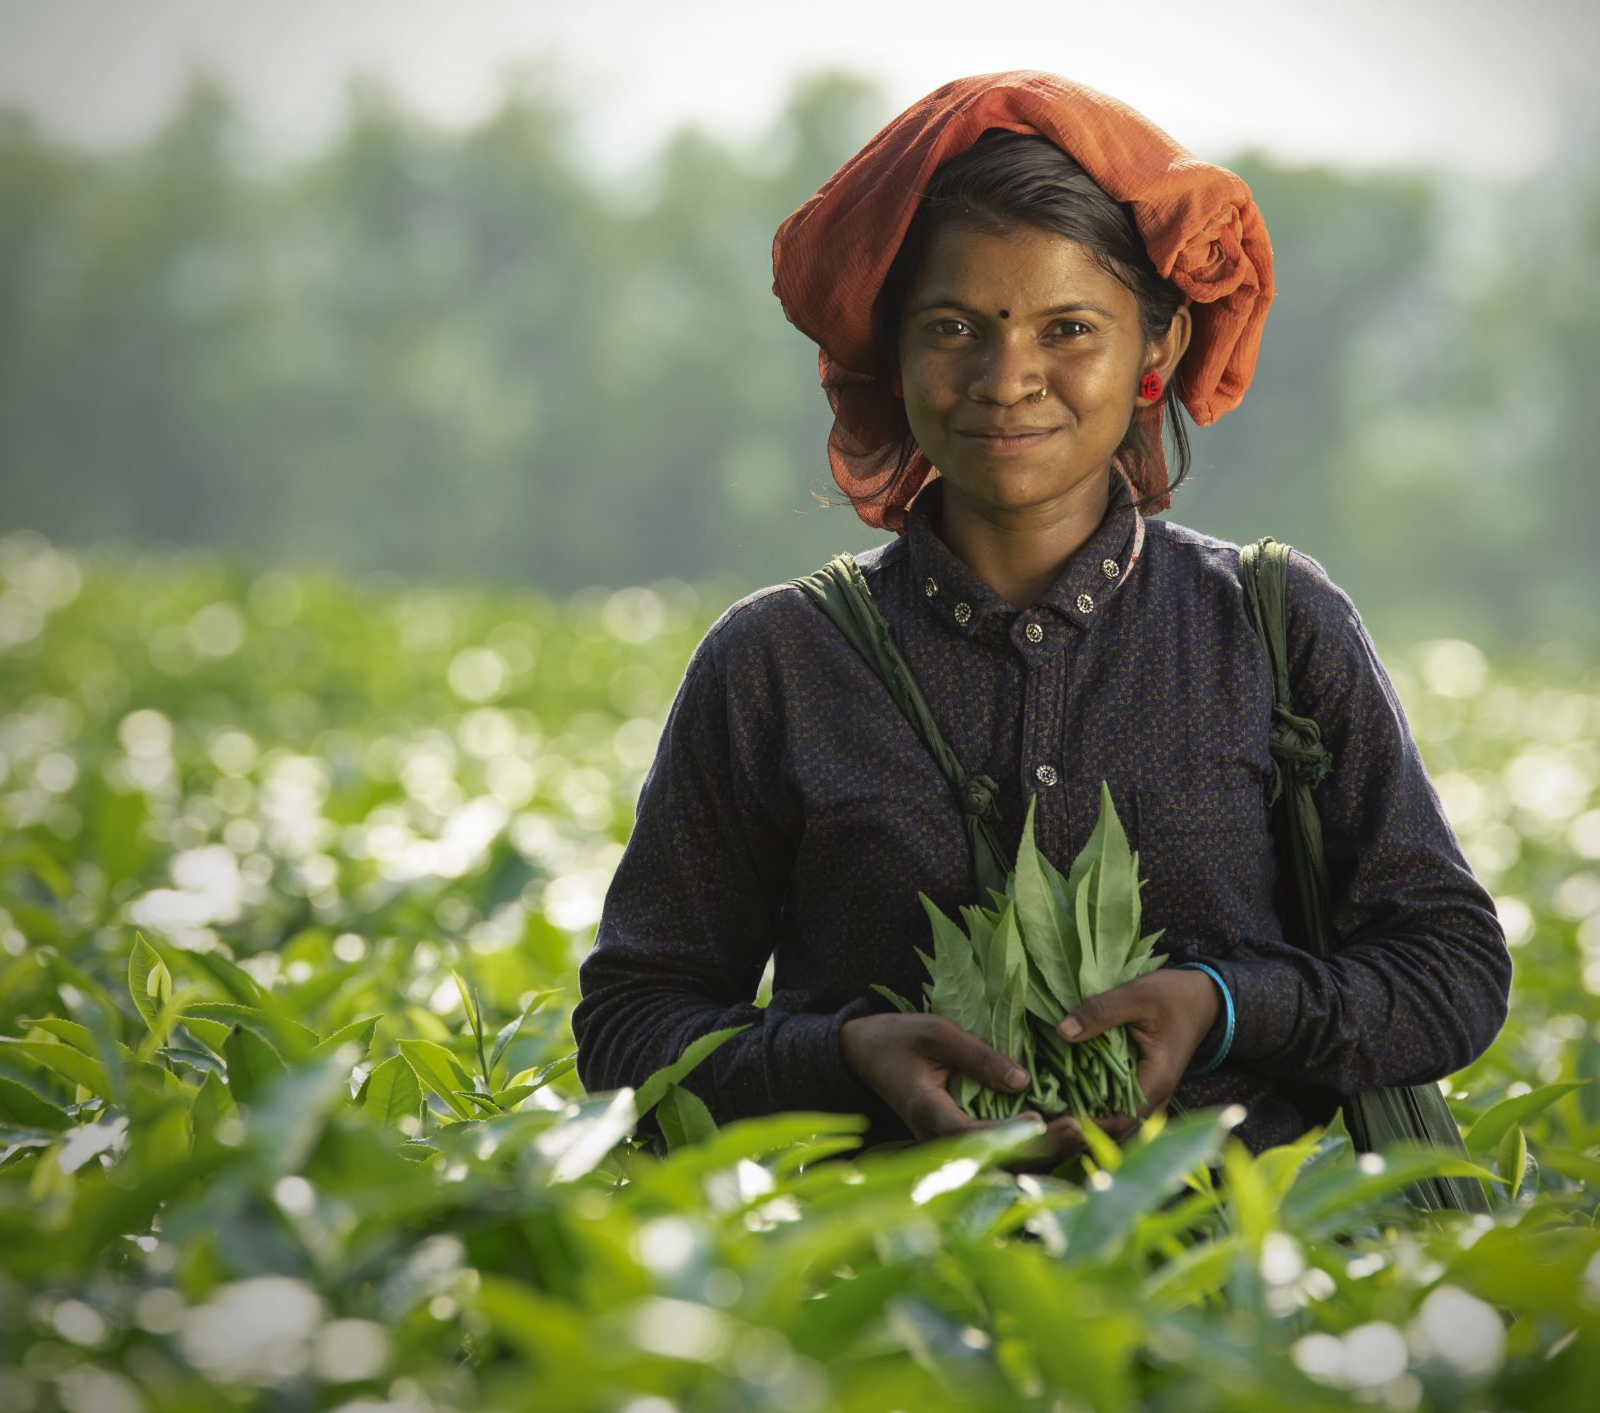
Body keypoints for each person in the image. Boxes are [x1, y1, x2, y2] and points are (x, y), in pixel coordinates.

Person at [570, 70, 1512, 1167]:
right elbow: (630, 1027)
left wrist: (1224, 1004)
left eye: (1067, 327)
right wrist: (843, 1054)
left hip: (1241, 1288)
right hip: (883, 1299)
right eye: (954, 326)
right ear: (894, 351)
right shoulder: (777, 662)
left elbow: (1451, 969)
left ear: (1154, 350)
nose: (1006, 376)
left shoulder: (1270, 627)